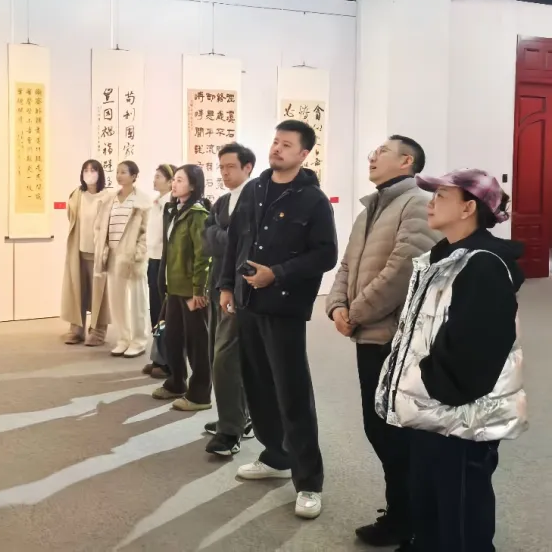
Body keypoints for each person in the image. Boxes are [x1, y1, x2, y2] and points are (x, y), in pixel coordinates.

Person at [375, 169, 526, 552]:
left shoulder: (483, 265)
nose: (431, 203)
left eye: (441, 196)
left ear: (468, 208)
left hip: (458, 420)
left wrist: (433, 385)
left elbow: (476, 354)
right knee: (430, 509)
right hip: (431, 412)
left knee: (460, 519)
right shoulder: (441, 258)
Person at [217, 119, 338, 520]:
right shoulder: (254, 189)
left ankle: (309, 482)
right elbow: (235, 242)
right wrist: (226, 285)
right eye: (275, 142)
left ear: (304, 154)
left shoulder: (313, 200)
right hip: (248, 303)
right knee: (258, 386)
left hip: (283, 307)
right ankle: (275, 455)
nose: (277, 149)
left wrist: (278, 274)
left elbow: (326, 255)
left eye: (286, 145)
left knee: (292, 393)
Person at [325, 136, 439, 547]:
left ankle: (409, 518)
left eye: (382, 152)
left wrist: (355, 313)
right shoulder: (371, 208)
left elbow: (404, 269)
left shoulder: (417, 203)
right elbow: (346, 265)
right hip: (368, 335)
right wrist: (336, 306)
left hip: (395, 339)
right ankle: (401, 512)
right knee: (379, 428)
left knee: (397, 433)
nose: (372, 156)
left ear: (407, 161)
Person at [204, 143, 256, 457]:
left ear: (248, 167)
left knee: (225, 359)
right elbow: (208, 240)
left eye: (231, 166)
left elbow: (244, 243)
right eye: (221, 167)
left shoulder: (257, 199)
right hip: (218, 285)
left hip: (240, 290)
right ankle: (237, 417)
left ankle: (230, 431)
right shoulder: (223, 201)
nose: (224, 172)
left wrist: (222, 235)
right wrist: (225, 235)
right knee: (223, 354)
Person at [152, 164, 213, 412]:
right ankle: (176, 383)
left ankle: (200, 395)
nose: (174, 184)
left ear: (193, 185)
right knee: (173, 338)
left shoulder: (198, 214)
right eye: (174, 179)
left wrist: (199, 290)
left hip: (190, 290)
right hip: (174, 286)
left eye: (179, 180)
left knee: (197, 342)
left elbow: (203, 256)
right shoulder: (173, 210)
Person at [94, 161, 152, 358]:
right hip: (112, 254)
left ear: (134, 176)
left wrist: (138, 253)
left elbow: (146, 232)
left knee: (137, 300)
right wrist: (101, 247)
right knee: (116, 300)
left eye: (124, 172)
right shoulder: (109, 200)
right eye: (118, 172)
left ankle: (139, 340)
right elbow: (100, 227)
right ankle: (123, 338)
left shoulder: (143, 202)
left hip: (132, 256)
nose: (119, 175)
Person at [60, 160, 112, 346]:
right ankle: (76, 329)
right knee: (77, 291)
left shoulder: (107, 197)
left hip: (98, 253)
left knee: (100, 294)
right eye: (86, 170)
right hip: (79, 252)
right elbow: (71, 218)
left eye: (93, 170)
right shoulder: (77, 195)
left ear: (100, 173)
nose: (89, 173)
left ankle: (98, 331)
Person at [142, 164, 175, 378]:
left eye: (159, 177)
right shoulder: (155, 203)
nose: (154, 180)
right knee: (155, 310)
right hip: (153, 260)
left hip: (166, 262)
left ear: (171, 182)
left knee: (166, 314)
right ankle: (157, 357)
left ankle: (167, 362)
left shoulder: (171, 205)